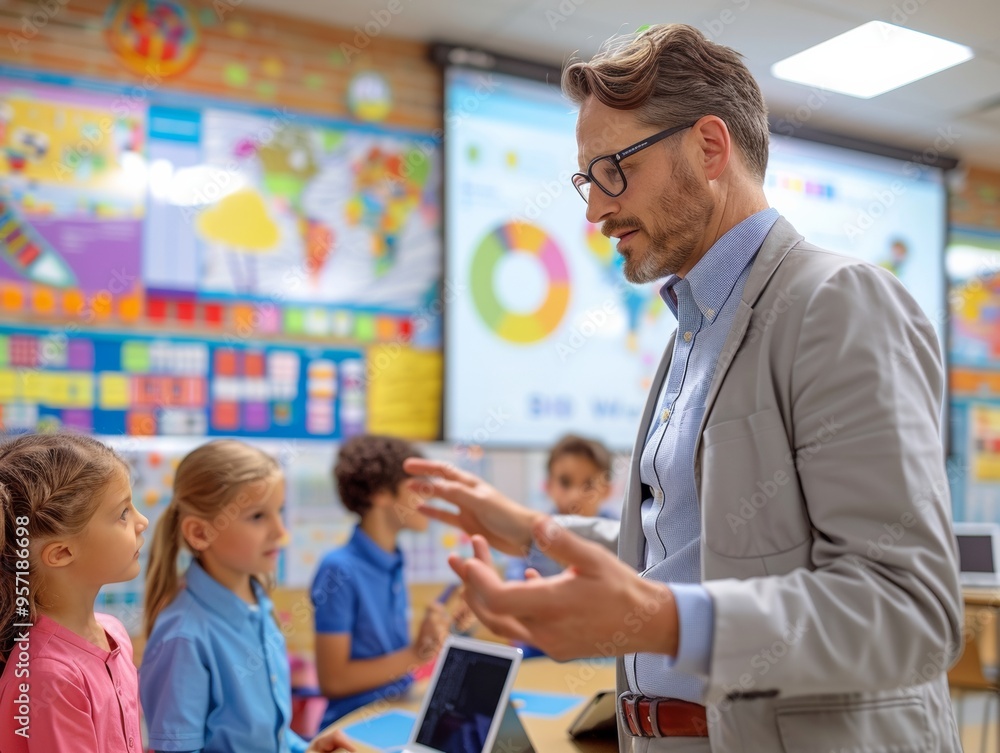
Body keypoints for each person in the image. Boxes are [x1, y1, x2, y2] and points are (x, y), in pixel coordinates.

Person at [405, 23, 963, 753]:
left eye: (614, 170)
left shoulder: (836, 302)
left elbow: (910, 613)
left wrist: (658, 620)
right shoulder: (690, 332)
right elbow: (703, 551)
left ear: (708, 147)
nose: (595, 210)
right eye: (586, 180)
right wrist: (535, 532)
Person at [140, 440, 354, 753]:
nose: (281, 532)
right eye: (257, 517)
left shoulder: (258, 602)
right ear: (200, 533)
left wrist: (304, 749)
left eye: (279, 511)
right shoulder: (183, 638)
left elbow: (264, 736)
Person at [0, 433, 148, 753]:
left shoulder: (114, 633)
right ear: (62, 553)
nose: (143, 522)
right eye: (123, 513)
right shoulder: (49, 674)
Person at [310, 435, 450, 727]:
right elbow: (333, 680)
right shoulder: (338, 569)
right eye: (417, 486)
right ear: (381, 493)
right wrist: (415, 654)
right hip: (354, 724)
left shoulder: (394, 559)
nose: (428, 496)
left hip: (398, 709)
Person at [506, 433, 616, 582]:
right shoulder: (531, 536)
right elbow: (515, 583)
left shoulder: (624, 536)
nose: (575, 496)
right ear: (548, 485)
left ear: (607, 490)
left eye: (589, 484)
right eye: (565, 482)